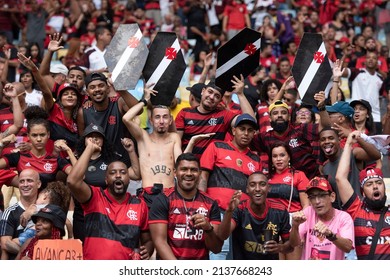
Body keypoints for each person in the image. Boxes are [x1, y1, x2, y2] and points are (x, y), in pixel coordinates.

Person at [66, 135, 152, 260]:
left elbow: (147, 240)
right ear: (106, 180)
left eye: (123, 172)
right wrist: (89, 148)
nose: (118, 175)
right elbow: (72, 181)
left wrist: (148, 249)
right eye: (112, 173)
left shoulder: (139, 205)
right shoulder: (95, 197)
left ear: (129, 179)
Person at [72, 124, 140, 241]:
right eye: (90, 137)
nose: (94, 139)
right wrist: (89, 150)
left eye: (98, 137)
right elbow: (73, 181)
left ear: (103, 141)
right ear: (84, 141)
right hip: (82, 215)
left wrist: (131, 151)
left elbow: (135, 174)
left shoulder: (111, 160)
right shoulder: (77, 159)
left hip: (106, 214)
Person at [148, 153, 222, 259]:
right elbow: (160, 242)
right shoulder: (163, 199)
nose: (189, 173)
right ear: (175, 172)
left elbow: (216, 248)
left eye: (193, 170)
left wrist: (208, 228)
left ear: (200, 173)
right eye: (184, 169)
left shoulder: (210, 203)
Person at [122, 86, 182, 205]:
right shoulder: (143, 137)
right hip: (148, 194)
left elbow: (180, 162)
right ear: (151, 120)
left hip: (170, 194)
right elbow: (126, 118)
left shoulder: (174, 138)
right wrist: (144, 100)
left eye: (165, 117)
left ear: (170, 121)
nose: (161, 121)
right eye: (157, 117)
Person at [336, 131, 390, 259]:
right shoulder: (356, 209)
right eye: (369, 184)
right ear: (363, 192)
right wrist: (349, 143)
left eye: (378, 183)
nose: (375, 186)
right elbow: (340, 178)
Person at [217, 172, 293, 260]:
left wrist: (280, 248)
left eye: (262, 184)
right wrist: (229, 211)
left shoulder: (280, 211)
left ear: (268, 188)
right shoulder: (239, 209)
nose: (257, 189)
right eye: (252, 185)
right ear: (247, 189)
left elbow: (290, 246)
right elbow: (222, 236)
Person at [176, 76, 255, 159]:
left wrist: (240, 94)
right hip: (189, 166)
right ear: (203, 91)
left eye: (217, 96)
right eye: (210, 92)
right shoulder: (184, 113)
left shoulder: (224, 115)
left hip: (213, 167)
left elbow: (250, 121)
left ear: (220, 101)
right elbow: (176, 143)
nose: (211, 97)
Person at [253, 96, 329, 178]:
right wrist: (241, 95)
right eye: (275, 113)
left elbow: (325, 128)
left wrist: (322, 107)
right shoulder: (265, 138)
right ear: (270, 119)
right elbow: (244, 138)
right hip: (283, 185)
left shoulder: (301, 129)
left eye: (283, 113)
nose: (279, 116)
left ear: (289, 117)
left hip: (311, 182)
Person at [0, 106, 72, 188]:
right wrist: (1, 144)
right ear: (28, 136)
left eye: (42, 135)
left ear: (48, 135)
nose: (38, 139)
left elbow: (78, 177)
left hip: (48, 199)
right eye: (34, 135)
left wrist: (68, 150)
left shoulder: (56, 160)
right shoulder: (18, 157)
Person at [77, 72, 138, 167]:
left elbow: (138, 110)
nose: (97, 89)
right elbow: (83, 142)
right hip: (96, 165)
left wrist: (119, 88)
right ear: (87, 92)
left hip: (122, 163)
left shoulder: (119, 103)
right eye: (92, 87)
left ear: (108, 88)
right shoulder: (83, 112)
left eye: (101, 86)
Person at [290, 176, 355, 260]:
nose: (317, 201)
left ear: (332, 197)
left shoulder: (343, 217)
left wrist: (330, 235)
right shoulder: (308, 213)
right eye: (312, 197)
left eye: (322, 195)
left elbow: (348, 247)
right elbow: (294, 244)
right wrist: (295, 226)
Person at [319, 127, 381, 209]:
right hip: (342, 214)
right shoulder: (325, 167)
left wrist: (358, 139)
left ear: (339, 140)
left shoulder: (352, 153)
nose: (327, 142)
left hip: (360, 209)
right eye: (323, 139)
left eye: (331, 138)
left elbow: (376, 156)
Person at [267, 141, 310, 259]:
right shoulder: (266, 178)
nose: (278, 159)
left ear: (289, 156)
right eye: (274, 156)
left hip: (293, 222)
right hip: (273, 223)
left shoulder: (298, 175)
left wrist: (300, 228)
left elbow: (306, 205)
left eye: (282, 155)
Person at [0, 169, 41, 260]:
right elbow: (5, 244)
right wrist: (29, 253)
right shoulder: (10, 212)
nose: (25, 185)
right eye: (22, 181)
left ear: (39, 184)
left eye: (29, 181)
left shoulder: (46, 209)